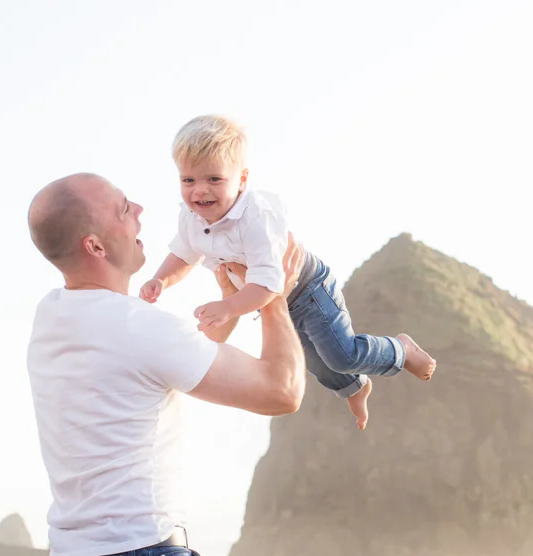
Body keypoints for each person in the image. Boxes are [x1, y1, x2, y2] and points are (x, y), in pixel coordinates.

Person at [25, 172, 305, 556]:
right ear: (94, 244)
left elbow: (159, 368)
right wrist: (272, 290)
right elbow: (281, 391)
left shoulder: (53, 316)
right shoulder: (139, 329)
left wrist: (231, 311)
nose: (139, 212)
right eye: (122, 208)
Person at [139, 114, 437, 430]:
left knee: (342, 355)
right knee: (313, 361)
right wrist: (161, 279)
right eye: (189, 180)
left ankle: (401, 350)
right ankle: (355, 387)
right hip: (272, 299)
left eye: (214, 179)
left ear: (241, 180)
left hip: (308, 289)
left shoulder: (256, 219)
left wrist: (228, 307)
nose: (199, 191)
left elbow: (270, 285)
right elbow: (184, 255)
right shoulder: (191, 217)